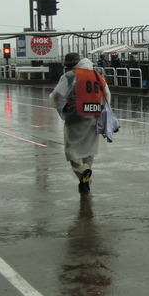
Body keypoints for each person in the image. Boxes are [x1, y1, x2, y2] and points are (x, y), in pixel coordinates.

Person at [49, 53, 111, 194]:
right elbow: (107, 95)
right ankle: (86, 178)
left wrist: (55, 104)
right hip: (94, 115)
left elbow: (57, 96)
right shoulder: (96, 75)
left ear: (70, 65)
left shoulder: (70, 76)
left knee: (72, 149)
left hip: (76, 115)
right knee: (88, 149)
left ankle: (83, 171)